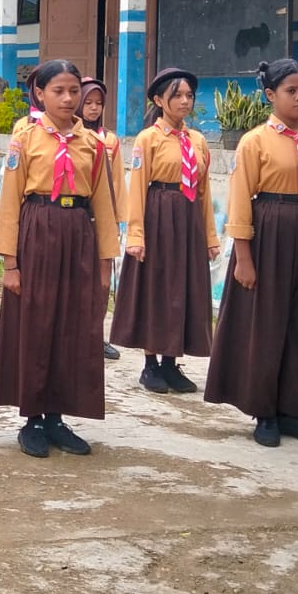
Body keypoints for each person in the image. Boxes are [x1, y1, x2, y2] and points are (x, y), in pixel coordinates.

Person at [205, 59, 298, 447]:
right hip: (271, 232)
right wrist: (245, 258)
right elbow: (240, 202)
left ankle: (293, 410)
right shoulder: (255, 142)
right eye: (291, 91)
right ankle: (264, 411)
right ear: (270, 95)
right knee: (266, 324)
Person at [0, 60, 120, 458]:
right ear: (39, 94)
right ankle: (32, 419)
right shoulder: (25, 139)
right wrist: (10, 264)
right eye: (58, 91)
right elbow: (10, 200)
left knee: (73, 326)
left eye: (74, 91)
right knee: (37, 324)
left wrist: (105, 261)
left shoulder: (93, 144)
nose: (68, 98)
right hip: (37, 229)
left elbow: (103, 203)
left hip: (78, 232)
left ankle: (58, 417)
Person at [108, 69, 218, 394]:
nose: (185, 102)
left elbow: (204, 191)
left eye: (189, 96)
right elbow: (138, 187)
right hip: (158, 215)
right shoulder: (148, 139)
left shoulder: (197, 141)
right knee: (156, 289)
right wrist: (136, 236)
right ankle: (150, 364)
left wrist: (209, 237)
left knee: (183, 289)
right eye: (177, 96)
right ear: (159, 100)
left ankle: (172, 363)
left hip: (188, 221)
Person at [78, 77, 128, 361]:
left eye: (99, 104)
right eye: (89, 102)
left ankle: (96, 333)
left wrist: (120, 218)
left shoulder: (109, 140)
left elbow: (118, 181)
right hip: (79, 214)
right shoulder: (71, 138)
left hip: (104, 216)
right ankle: (77, 333)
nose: (94, 109)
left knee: (103, 277)